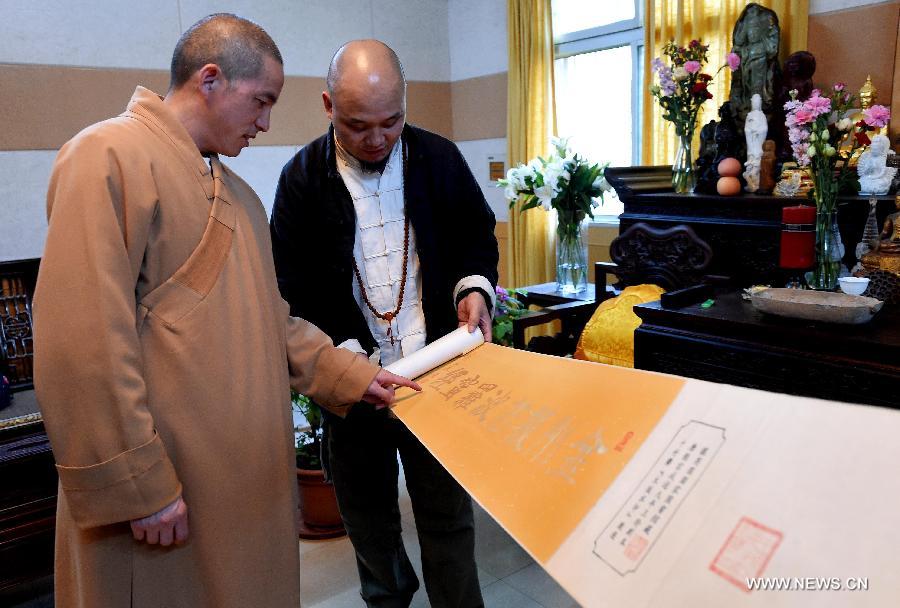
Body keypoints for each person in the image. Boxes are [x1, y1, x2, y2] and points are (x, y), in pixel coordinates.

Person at [32, 15, 417, 608]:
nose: (266, 122)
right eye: (261, 101)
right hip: (168, 492)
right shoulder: (105, 157)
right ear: (210, 79)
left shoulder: (238, 195)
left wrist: (351, 375)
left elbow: (271, 322)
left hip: (238, 489)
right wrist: (140, 486)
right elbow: (83, 342)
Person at [270, 39, 498, 607]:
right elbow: (290, 287)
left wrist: (473, 289)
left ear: (406, 102)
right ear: (327, 106)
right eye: (357, 125)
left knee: (449, 522)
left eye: (391, 122)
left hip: (437, 376)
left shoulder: (438, 158)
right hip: (353, 387)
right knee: (371, 528)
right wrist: (347, 364)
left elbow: (476, 235)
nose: (377, 139)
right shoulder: (301, 179)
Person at [743, 94, 768, 192]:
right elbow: (746, 128)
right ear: (752, 103)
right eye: (754, 102)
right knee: (751, 158)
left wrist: (758, 131)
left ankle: (757, 182)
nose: (756, 104)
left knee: (758, 157)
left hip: (758, 141)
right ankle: (750, 183)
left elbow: (765, 128)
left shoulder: (762, 115)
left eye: (758, 103)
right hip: (751, 141)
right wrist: (750, 131)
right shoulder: (749, 115)